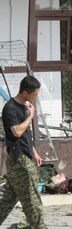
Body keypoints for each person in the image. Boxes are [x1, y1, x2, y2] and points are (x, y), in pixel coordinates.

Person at [0, 75, 47, 228]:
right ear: (25, 93)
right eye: (35, 93)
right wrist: (31, 116)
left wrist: (34, 153)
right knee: (32, 200)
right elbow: (17, 132)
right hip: (19, 160)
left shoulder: (24, 107)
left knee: (7, 200)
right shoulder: (10, 108)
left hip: (24, 157)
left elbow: (26, 134)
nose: (37, 96)